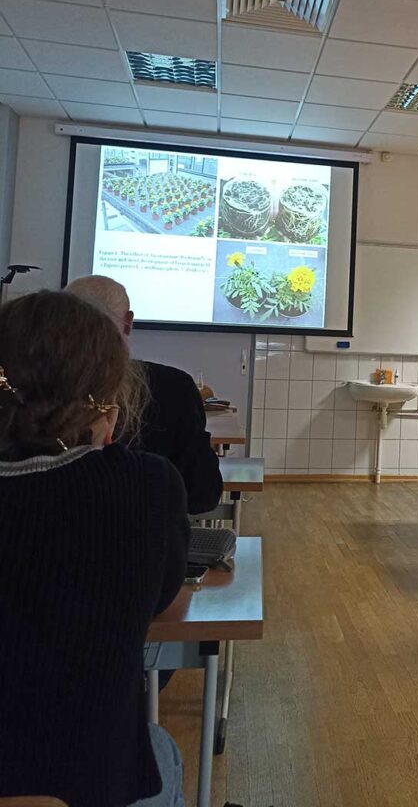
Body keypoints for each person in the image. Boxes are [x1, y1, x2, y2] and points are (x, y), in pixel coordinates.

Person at [0, 289, 189, 806]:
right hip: (94, 781)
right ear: (108, 402)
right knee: (164, 751)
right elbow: (164, 600)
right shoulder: (149, 486)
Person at [66, 275, 223, 515]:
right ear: (128, 322)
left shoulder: (31, 385)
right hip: (147, 532)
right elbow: (203, 495)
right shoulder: (173, 388)